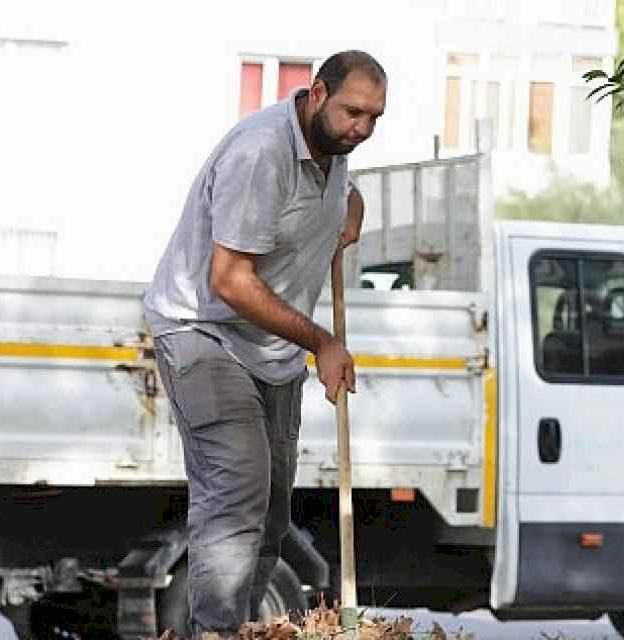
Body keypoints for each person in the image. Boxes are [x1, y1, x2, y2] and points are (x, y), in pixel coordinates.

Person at [142, 50, 386, 638]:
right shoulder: (261, 152)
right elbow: (229, 281)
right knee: (239, 488)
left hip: (269, 351)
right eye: (353, 111)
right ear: (317, 93)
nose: (362, 128)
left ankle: (245, 628)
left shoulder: (333, 152)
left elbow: (336, 198)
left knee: (273, 513)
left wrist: (348, 208)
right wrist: (323, 342)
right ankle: (217, 632)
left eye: (375, 117)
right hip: (204, 333)